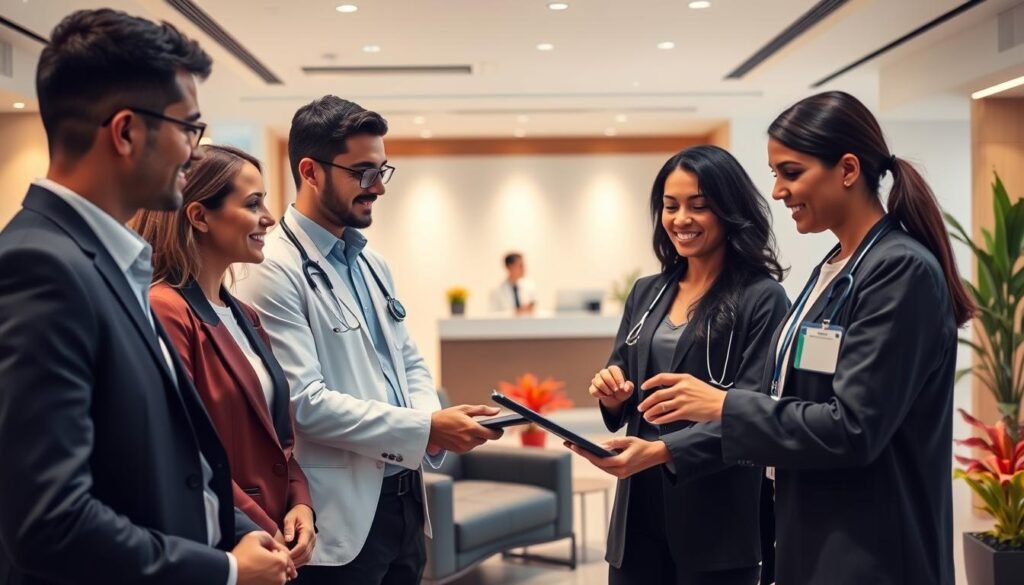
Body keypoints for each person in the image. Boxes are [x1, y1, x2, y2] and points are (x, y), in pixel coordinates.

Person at [0, 9, 295, 585]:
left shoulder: (112, 262)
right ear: (127, 131)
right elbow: (49, 523)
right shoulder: (39, 267)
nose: (195, 151)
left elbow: (155, 464)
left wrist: (233, 526)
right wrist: (226, 570)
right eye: (189, 129)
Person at [637, 91, 973, 585]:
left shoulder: (899, 270)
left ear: (848, 169)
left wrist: (723, 406)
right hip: (810, 529)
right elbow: (800, 397)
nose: (777, 191)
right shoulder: (836, 267)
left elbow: (852, 427)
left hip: (870, 547)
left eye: (790, 173)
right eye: (775, 174)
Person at [233, 95, 503, 585]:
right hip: (337, 517)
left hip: (403, 503)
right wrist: (428, 430)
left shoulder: (373, 265)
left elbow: (409, 361)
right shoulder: (271, 270)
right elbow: (303, 403)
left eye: (382, 170)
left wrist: (429, 421)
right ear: (311, 171)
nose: (378, 187)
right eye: (362, 172)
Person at [568, 145, 788, 585]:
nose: (680, 219)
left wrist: (664, 452)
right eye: (670, 206)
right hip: (638, 514)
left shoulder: (761, 298)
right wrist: (613, 395)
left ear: (729, 211)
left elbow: (752, 409)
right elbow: (621, 380)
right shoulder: (647, 292)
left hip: (717, 519)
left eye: (698, 206)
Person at [131, 145, 317, 568]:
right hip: (222, 540)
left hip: (273, 539)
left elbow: (279, 439)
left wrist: (301, 505)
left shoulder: (245, 315)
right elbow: (185, 449)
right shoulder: (165, 309)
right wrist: (257, 527)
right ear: (199, 216)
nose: (270, 217)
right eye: (253, 204)